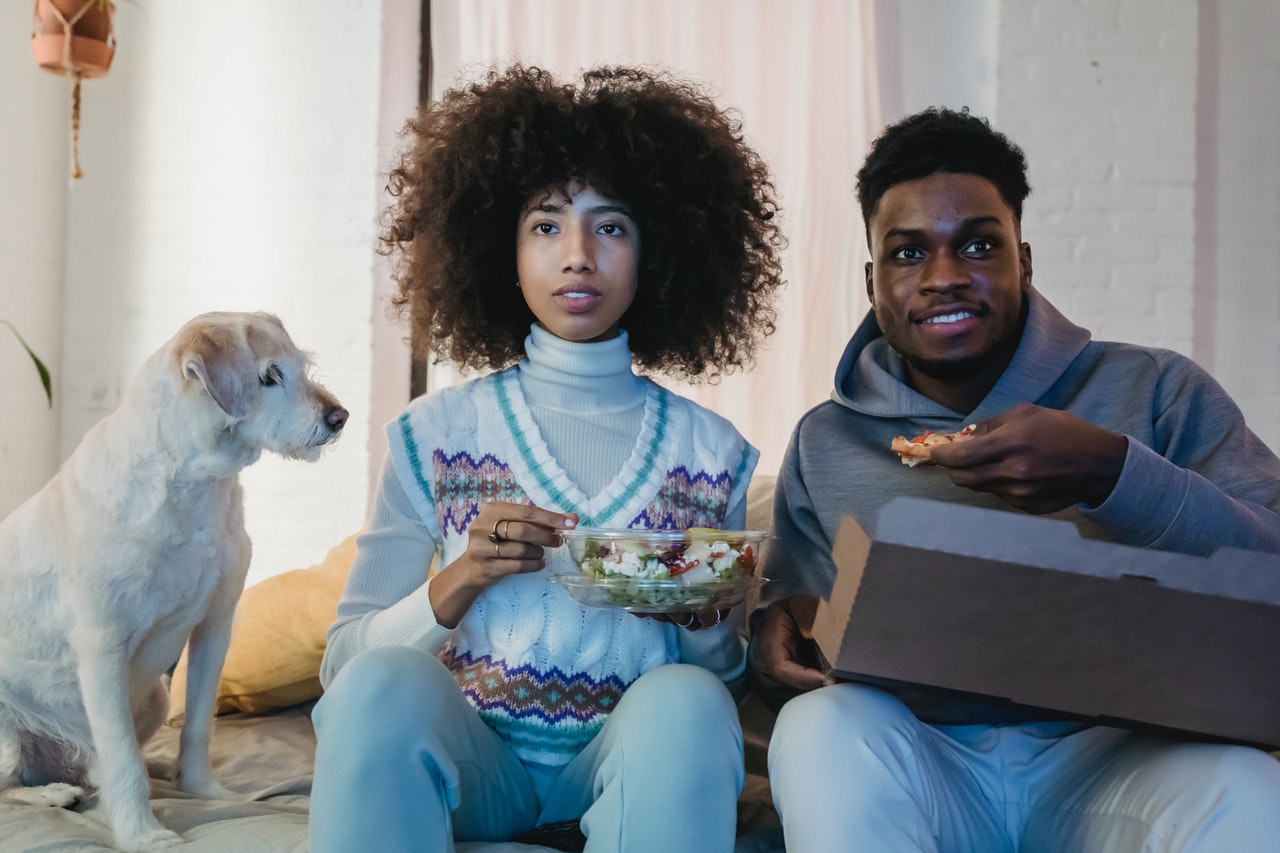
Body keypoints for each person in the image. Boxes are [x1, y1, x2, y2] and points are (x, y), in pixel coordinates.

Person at [749, 106, 1280, 852]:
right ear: (873, 281)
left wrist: (1111, 471)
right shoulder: (826, 438)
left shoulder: (1157, 389)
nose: (943, 277)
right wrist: (769, 636)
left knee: (1250, 788)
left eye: (976, 244)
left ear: (1022, 261)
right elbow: (799, 616)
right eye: (907, 254)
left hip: (1120, 755)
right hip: (925, 761)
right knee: (816, 730)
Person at [307, 65, 784, 853]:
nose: (578, 255)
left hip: (616, 769)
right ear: (500, 243)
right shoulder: (433, 435)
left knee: (690, 698)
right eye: (546, 224)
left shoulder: (714, 456)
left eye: (612, 226)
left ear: (658, 248)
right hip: (474, 767)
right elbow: (343, 670)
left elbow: (723, 691)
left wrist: (699, 623)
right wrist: (459, 577)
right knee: (382, 685)